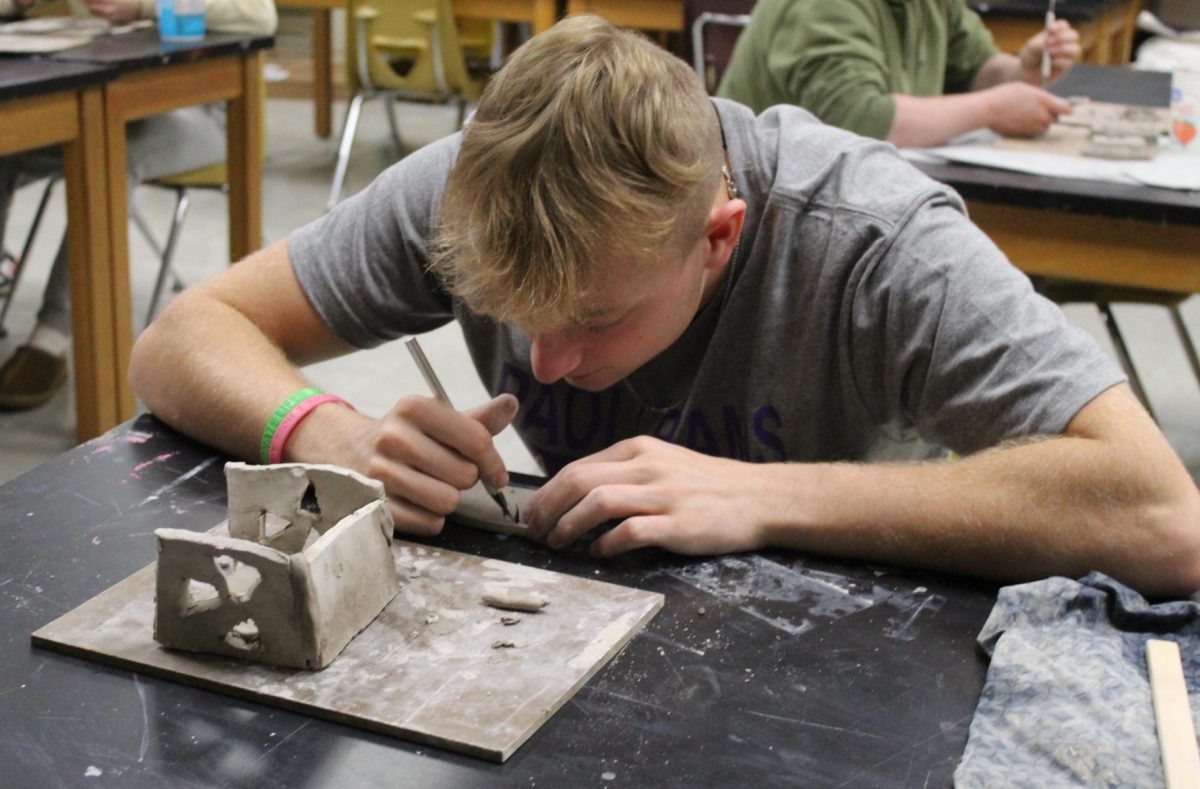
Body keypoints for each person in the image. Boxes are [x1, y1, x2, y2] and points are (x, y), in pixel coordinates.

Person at [130, 15, 1200, 596]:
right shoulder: (476, 187)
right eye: (514, 315)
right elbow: (183, 338)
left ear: (718, 236)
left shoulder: (872, 238)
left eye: (592, 320)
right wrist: (328, 429)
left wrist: (769, 498)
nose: (541, 365)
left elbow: (1162, 516)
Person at [0, 0, 276, 410]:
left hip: (201, 108)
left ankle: (51, 338)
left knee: (112, 152)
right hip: (90, 94)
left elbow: (260, 17)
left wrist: (144, 6)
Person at [717, 0, 1081, 148]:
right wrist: (993, 109)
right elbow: (862, 121)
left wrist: (1021, 70)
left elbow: (973, 67)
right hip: (772, 223)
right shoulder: (825, 6)